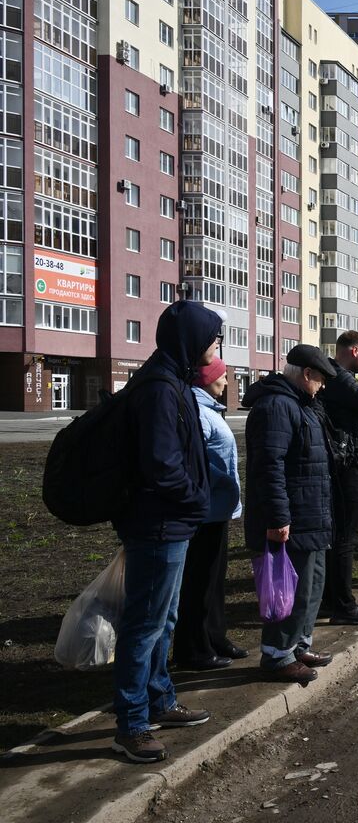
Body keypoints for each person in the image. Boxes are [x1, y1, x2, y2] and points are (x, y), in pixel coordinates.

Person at [110, 300, 223, 763]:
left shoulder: (171, 379)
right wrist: (196, 498)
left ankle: (159, 699)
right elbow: (161, 464)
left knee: (164, 620)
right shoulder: (159, 387)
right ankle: (132, 724)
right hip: (159, 523)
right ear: (192, 339)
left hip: (173, 520)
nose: (216, 346)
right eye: (212, 338)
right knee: (144, 625)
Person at [244, 345, 338, 685]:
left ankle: (298, 643)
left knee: (311, 585)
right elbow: (270, 466)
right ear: (307, 374)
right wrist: (278, 517)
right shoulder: (277, 407)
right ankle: (276, 654)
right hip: (292, 518)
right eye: (321, 379)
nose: (323, 386)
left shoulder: (299, 404)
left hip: (310, 513)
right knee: (289, 589)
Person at [173, 355, 245, 671]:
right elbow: (194, 461)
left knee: (214, 581)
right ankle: (194, 649)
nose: (227, 382)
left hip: (217, 511)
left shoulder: (209, 409)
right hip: (203, 511)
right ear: (207, 379)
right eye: (222, 376)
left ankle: (215, 637)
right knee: (198, 582)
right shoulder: (199, 412)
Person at [319, 331, 358, 625]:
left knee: (339, 535)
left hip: (345, 462)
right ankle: (343, 604)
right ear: (354, 351)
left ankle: (330, 599)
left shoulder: (336, 378)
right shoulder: (340, 377)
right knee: (346, 536)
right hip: (349, 464)